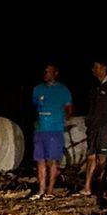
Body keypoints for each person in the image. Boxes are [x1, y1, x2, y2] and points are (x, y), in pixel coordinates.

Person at [81, 60, 107, 197]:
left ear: (103, 68)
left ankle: (100, 186)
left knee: (102, 157)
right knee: (90, 156)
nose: (93, 70)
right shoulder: (95, 86)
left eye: (95, 67)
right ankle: (87, 187)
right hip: (93, 126)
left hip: (106, 126)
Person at [31, 62, 72, 199]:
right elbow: (35, 107)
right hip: (40, 129)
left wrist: (62, 120)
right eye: (45, 71)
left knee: (52, 160)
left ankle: (50, 190)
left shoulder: (63, 90)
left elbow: (68, 109)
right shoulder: (37, 89)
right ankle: (41, 189)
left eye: (49, 71)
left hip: (54, 129)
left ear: (55, 73)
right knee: (40, 160)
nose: (46, 74)